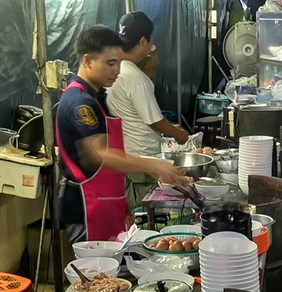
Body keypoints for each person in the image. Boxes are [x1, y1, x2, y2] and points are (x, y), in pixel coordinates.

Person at [55, 25, 189, 243]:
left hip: (107, 201)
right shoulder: (79, 103)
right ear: (88, 61)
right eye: (110, 63)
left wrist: (121, 200)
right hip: (87, 207)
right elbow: (100, 154)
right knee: (95, 275)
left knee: (113, 274)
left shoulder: (97, 98)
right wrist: (153, 165)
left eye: (119, 62)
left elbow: (112, 152)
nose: (117, 70)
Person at [107, 11, 189, 208]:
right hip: (142, 161)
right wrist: (179, 134)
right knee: (146, 210)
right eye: (151, 42)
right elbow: (154, 120)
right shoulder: (135, 77)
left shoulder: (113, 70)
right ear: (143, 41)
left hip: (128, 156)